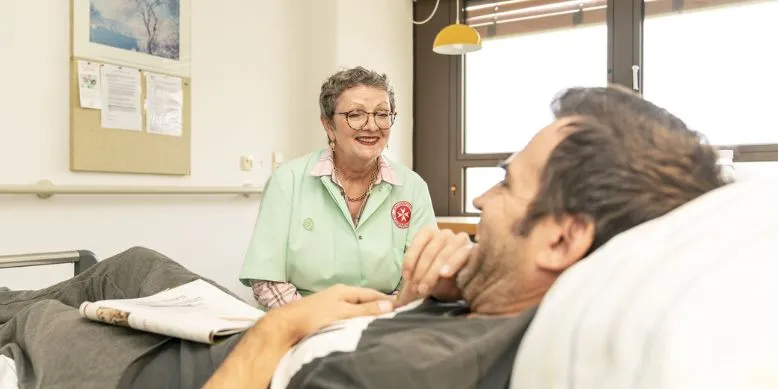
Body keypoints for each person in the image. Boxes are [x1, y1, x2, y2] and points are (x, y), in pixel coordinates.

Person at [0, 85, 726, 389]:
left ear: (564, 240)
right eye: (356, 115)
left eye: (504, 183)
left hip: (210, 358)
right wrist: (432, 290)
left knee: (36, 317)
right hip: (251, 321)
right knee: (124, 263)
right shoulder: (523, 305)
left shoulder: (407, 374)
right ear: (330, 125)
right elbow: (287, 280)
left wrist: (283, 325)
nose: (477, 198)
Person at [238, 66, 437, 310]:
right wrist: (321, 321)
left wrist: (379, 316)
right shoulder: (287, 180)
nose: (372, 126)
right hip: (302, 322)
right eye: (356, 114)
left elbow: (420, 277)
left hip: (384, 321)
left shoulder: (413, 186)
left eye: (382, 114)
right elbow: (267, 280)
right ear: (328, 125)